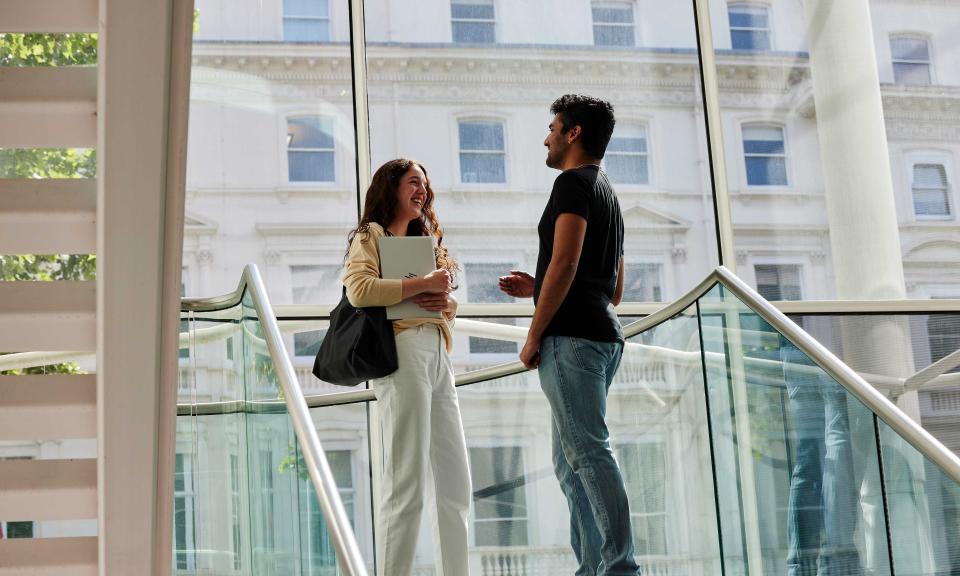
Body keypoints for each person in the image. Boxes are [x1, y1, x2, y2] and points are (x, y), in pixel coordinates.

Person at [499, 94, 640, 576]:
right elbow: (614, 289)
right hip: (603, 334)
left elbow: (567, 261)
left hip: (572, 340)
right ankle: (594, 568)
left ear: (573, 132)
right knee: (570, 463)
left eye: (553, 126)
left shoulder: (571, 185)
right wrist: (538, 288)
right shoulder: (610, 195)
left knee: (588, 454)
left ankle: (621, 568)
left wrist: (534, 333)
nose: (547, 136)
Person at [343, 158, 471, 576]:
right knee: (406, 484)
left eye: (426, 184)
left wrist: (447, 301)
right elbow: (360, 291)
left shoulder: (423, 239)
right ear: (391, 188)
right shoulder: (372, 235)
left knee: (454, 485)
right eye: (414, 182)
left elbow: (443, 303)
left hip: (438, 354)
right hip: (403, 353)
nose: (423, 190)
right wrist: (424, 285)